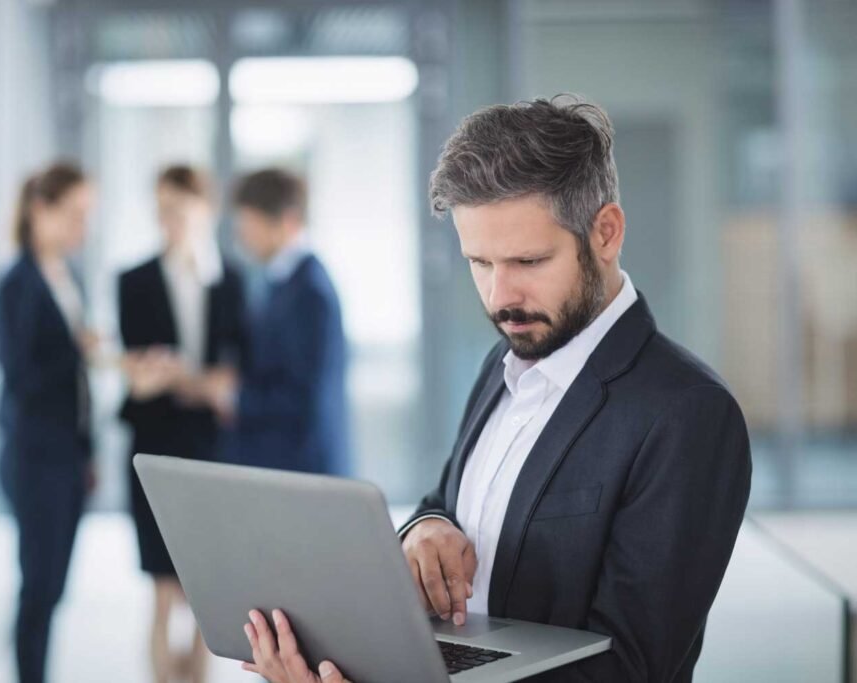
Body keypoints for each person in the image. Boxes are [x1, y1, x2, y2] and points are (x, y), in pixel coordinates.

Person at [241, 96, 752, 683]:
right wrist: (424, 530)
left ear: (606, 233)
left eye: (528, 261)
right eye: (478, 262)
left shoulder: (686, 415)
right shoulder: (504, 361)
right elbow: (445, 502)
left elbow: (631, 669)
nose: (499, 297)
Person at [118, 165, 248, 683]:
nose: (166, 218)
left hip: (212, 446)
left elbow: (238, 368)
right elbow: (138, 370)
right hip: (153, 444)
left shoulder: (231, 281)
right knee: (161, 589)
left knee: (202, 588)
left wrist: (194, 382)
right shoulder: (134, 280)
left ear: (206, 210)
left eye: (178, 207)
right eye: (160, 207)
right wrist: (189, 381)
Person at [0, 161, 97, 683]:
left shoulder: (68, 276)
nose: (83, 228)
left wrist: (90, 449)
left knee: (54, 586)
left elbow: (77, 383)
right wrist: (78, 351)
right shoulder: (16, 283)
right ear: (41, 210)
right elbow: (19, 378)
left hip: (69, 453)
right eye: (74, 214)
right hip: (35, 457)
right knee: (38, 586)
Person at [203, 168, 349, 476]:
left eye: (249, 223)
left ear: (287, 221)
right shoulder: (279, 282)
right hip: (280, 465)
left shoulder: (311, 293)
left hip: (299, 471)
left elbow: (304, 397)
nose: (242, 234)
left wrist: (233, 396)